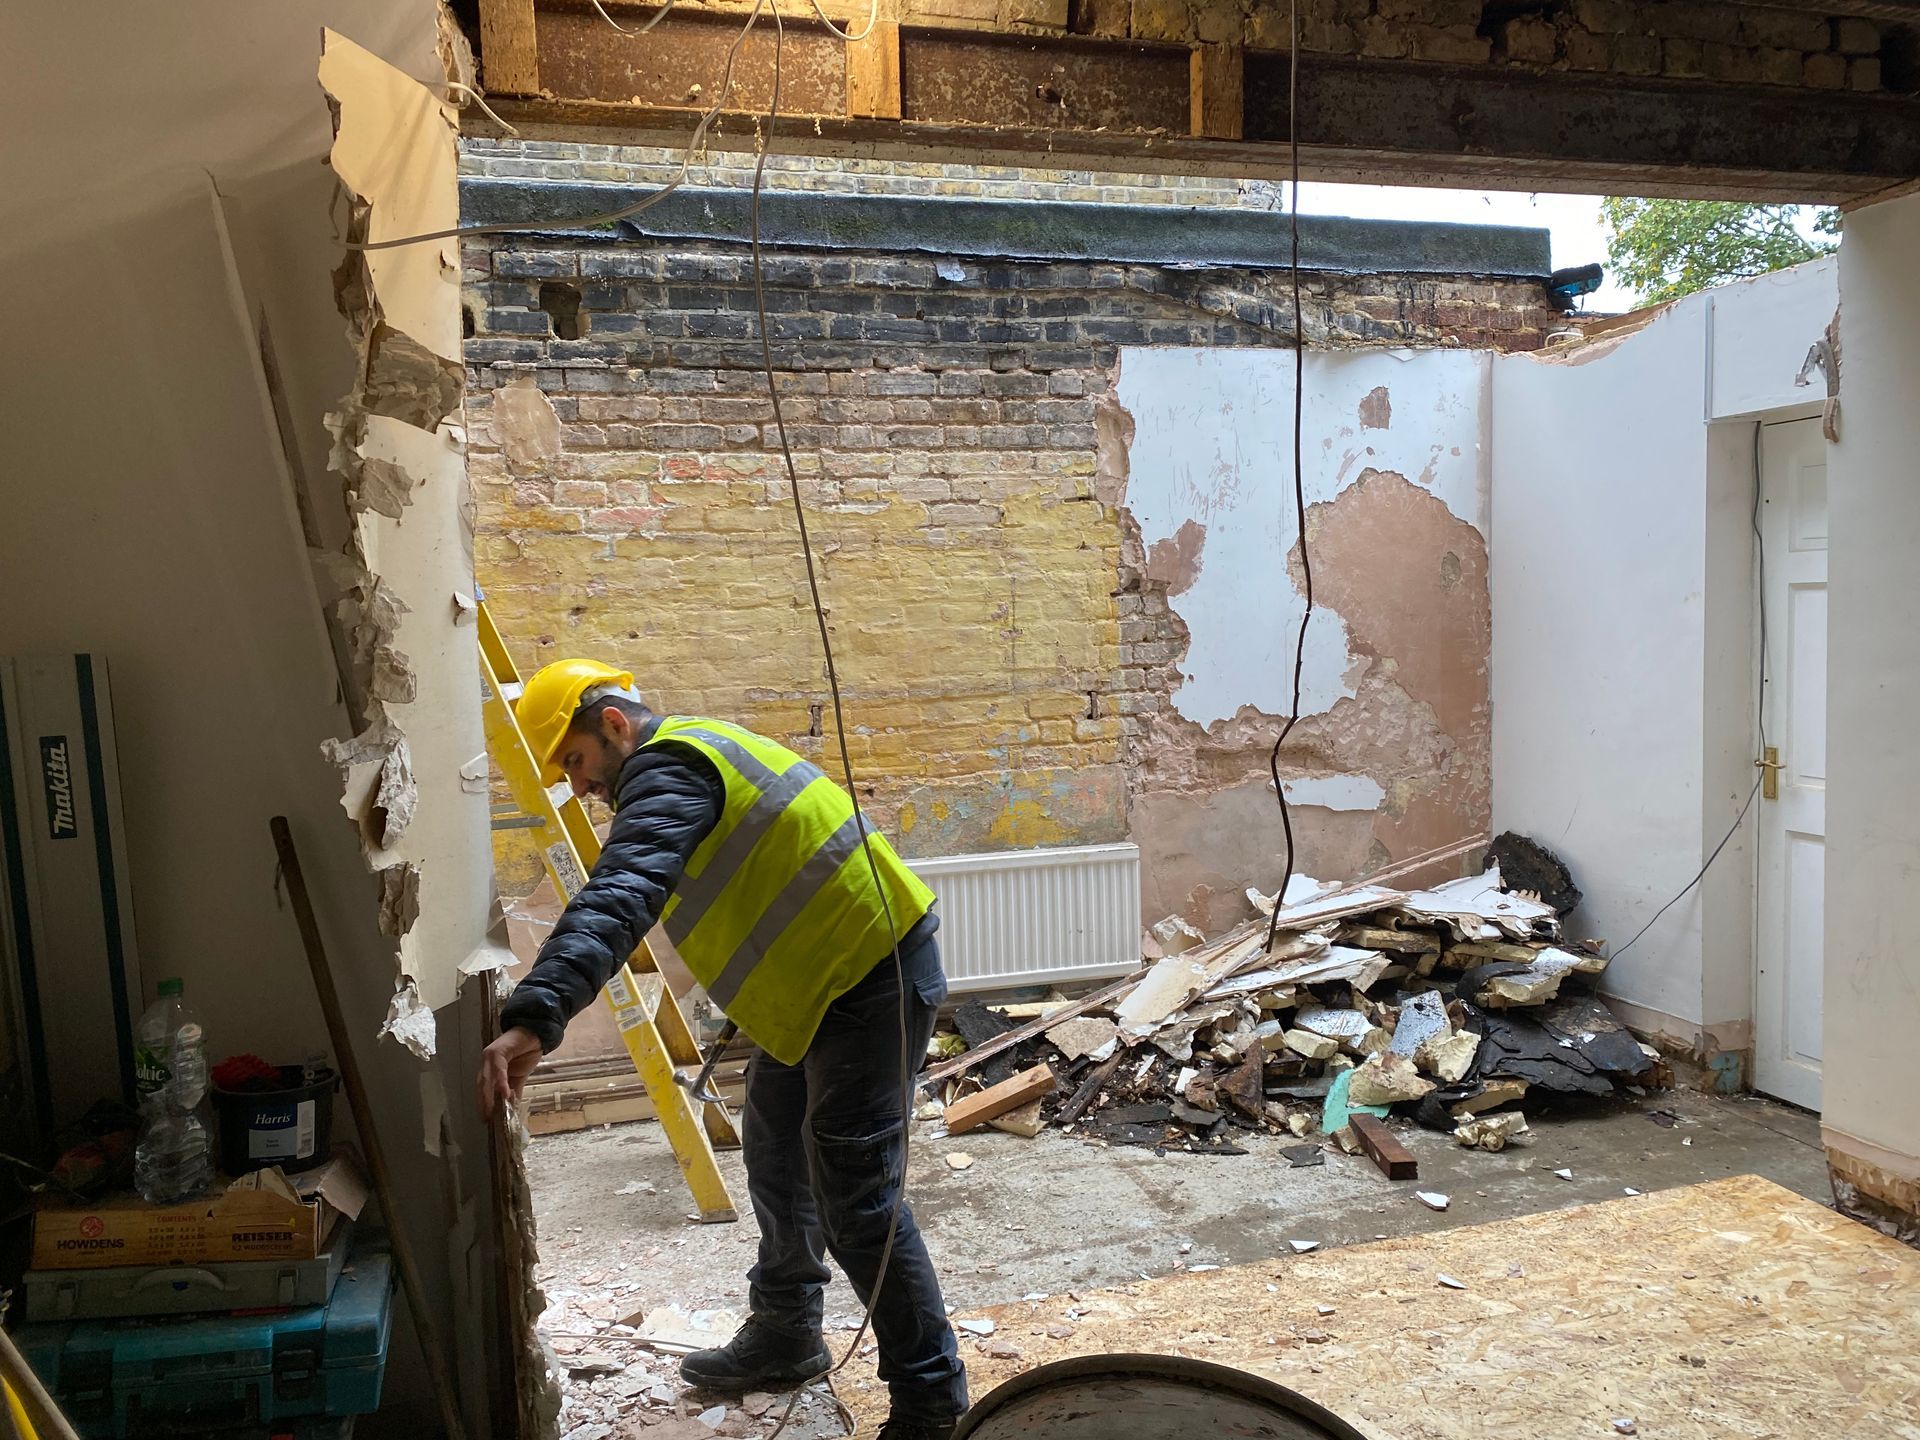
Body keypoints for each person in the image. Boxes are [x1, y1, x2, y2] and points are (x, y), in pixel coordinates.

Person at [476, 659, 968, 1439]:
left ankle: (931, 1403)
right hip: (818, 987)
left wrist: (537, 1012)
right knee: (775, 1152)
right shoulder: (690, 759)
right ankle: (788, 1332)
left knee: (856, 1195)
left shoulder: (669, 769)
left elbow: (625, 886)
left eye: (573, 760)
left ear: (611, 725)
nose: (578, 785)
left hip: (869, 975)